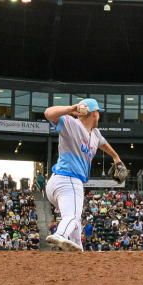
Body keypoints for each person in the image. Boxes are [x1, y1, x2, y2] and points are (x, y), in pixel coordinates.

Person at [42, 98, 124, 252]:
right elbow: (48, 113)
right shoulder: (71, 123)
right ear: (93, 114)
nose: (99, 115)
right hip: (68, 180)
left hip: (58, 183)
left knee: (75, 218)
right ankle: (59, 235)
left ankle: (77, 248)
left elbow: (103, 144)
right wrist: (71, 108)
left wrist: (116, 157)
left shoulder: (95, 133)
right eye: (98, 112)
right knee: (72, 217)